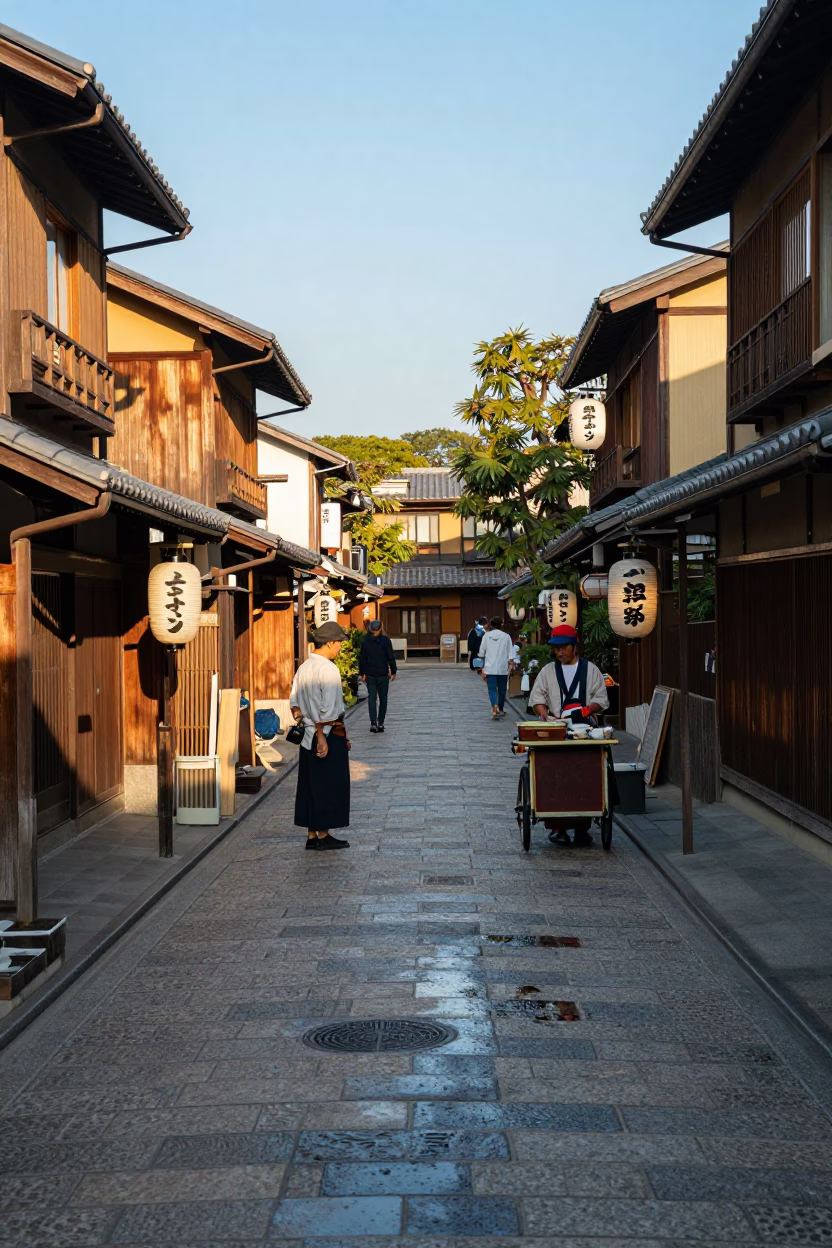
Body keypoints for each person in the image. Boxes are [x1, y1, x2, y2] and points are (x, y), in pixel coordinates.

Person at [528, 623, 609, 848]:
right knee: (554, 772)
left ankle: (583, 826)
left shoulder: (590, 670)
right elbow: (537, 698)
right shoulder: (547, 671)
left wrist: (587, 709)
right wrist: (543, 714)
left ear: (574, 646)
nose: (559, 652)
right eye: (556, 648)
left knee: (586, 772)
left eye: (563, 647)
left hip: (584, 727)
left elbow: (602, 699)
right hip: (556, 726)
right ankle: (558, 827)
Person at [289, 621, 351, 851]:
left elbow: (294, 703)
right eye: (339, 644)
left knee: (310, 783)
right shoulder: (328, 669)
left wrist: (305, 722)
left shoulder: (304, 667)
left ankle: (312, 834)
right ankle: (323, 834)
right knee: (329, 784)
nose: (340, 648)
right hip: (324, 733)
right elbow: (329, 710)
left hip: (306, 734)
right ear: (331, 643)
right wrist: (322, 736)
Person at [359, 619, 397, 733]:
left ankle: (373, 723)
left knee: (372, 699)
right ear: (380, 628)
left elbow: (362, 659)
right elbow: (391, 657)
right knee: (383, 699)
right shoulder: (385, 641)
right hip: (382, 674)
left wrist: (362, 672)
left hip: (370, 674)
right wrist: (393, 671)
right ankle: (381, 722)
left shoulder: (365, 641)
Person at [477, 616, 513, 720]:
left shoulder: (486, 636)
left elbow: (481, 653)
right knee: (502, 690)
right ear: (501, 625)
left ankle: (494, 707)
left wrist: (481, 667)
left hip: (490, 668)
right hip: (503, 668)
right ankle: (501, 709)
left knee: (492, 689)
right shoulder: (506, 637)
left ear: (491, 625)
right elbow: (511, 655)